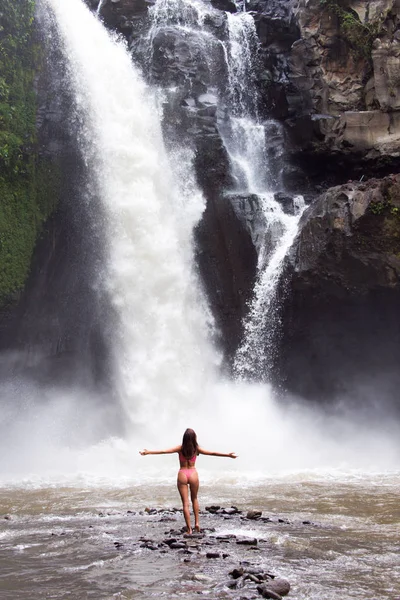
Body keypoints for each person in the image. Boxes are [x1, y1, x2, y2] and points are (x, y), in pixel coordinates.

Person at [139, 428, 237, 534]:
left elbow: (164, 451)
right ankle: (197, 524)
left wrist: (148, 452)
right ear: (194, 438)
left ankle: (189, 529)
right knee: (194, 499)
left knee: (185, 504)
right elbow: (212, 453)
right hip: (193, 474)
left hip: (182, 474)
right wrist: (228, 455)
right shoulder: (196, 449)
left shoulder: (180, 448)